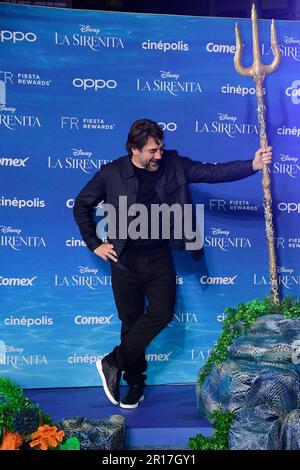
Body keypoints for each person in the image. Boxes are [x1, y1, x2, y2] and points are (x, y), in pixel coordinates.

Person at [73, 118, 272, 409]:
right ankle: (136, 384)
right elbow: (81, 205)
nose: (159, 155)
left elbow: (211, 172)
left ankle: (112, 362)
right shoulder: (112, 173)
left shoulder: (174, 164)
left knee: (161, 313)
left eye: (161, 149)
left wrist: (251, 165)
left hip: (159, 258)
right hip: (125, 261)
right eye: (152, 151)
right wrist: (95, 243)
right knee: (131, 323)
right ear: (134, 149)